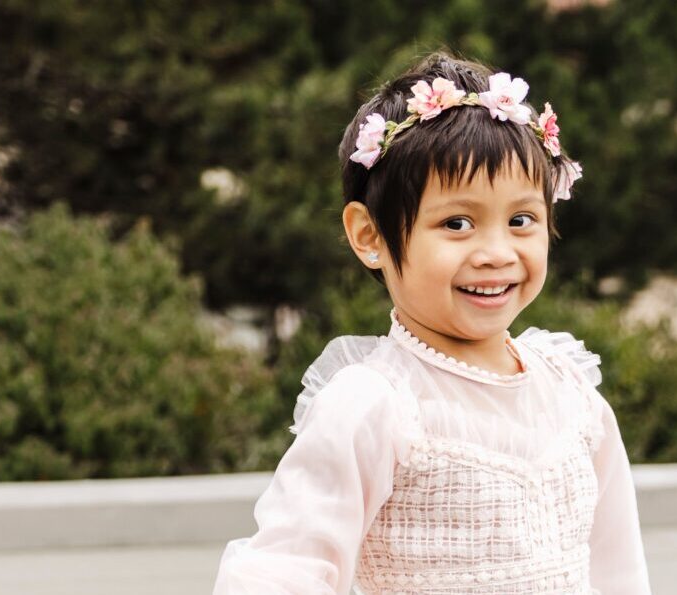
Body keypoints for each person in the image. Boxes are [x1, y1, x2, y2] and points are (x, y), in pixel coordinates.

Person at [213, 51, 651, 595]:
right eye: (457, 222)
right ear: (370, 236)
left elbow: (617, 569)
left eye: (521, 220)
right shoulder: (377, 405)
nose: (496, 252)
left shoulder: (573, 398)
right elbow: (285, 571)